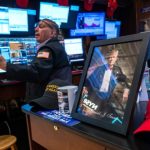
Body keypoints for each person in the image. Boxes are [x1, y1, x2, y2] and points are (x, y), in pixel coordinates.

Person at [0, 19, 72, 102]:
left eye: (41, 26)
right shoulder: (56, 46)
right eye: (36, 27)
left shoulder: (48, 48)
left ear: (53, 33)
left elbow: (36, 72)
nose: (36, 29)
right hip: (57, 97)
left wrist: (6, 66)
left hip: (47, 100)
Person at [79, 48, 130, 118]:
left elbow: (124, 80)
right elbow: (89, 80)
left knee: (102, 116)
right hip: (95, 95)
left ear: (116, 58)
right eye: (109, 57)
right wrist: (84, 87)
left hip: (107, 98)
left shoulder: (117, 69)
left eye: (113, 57)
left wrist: (126, 90)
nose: (111, 59)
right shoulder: (100, 68)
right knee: (90, 114)